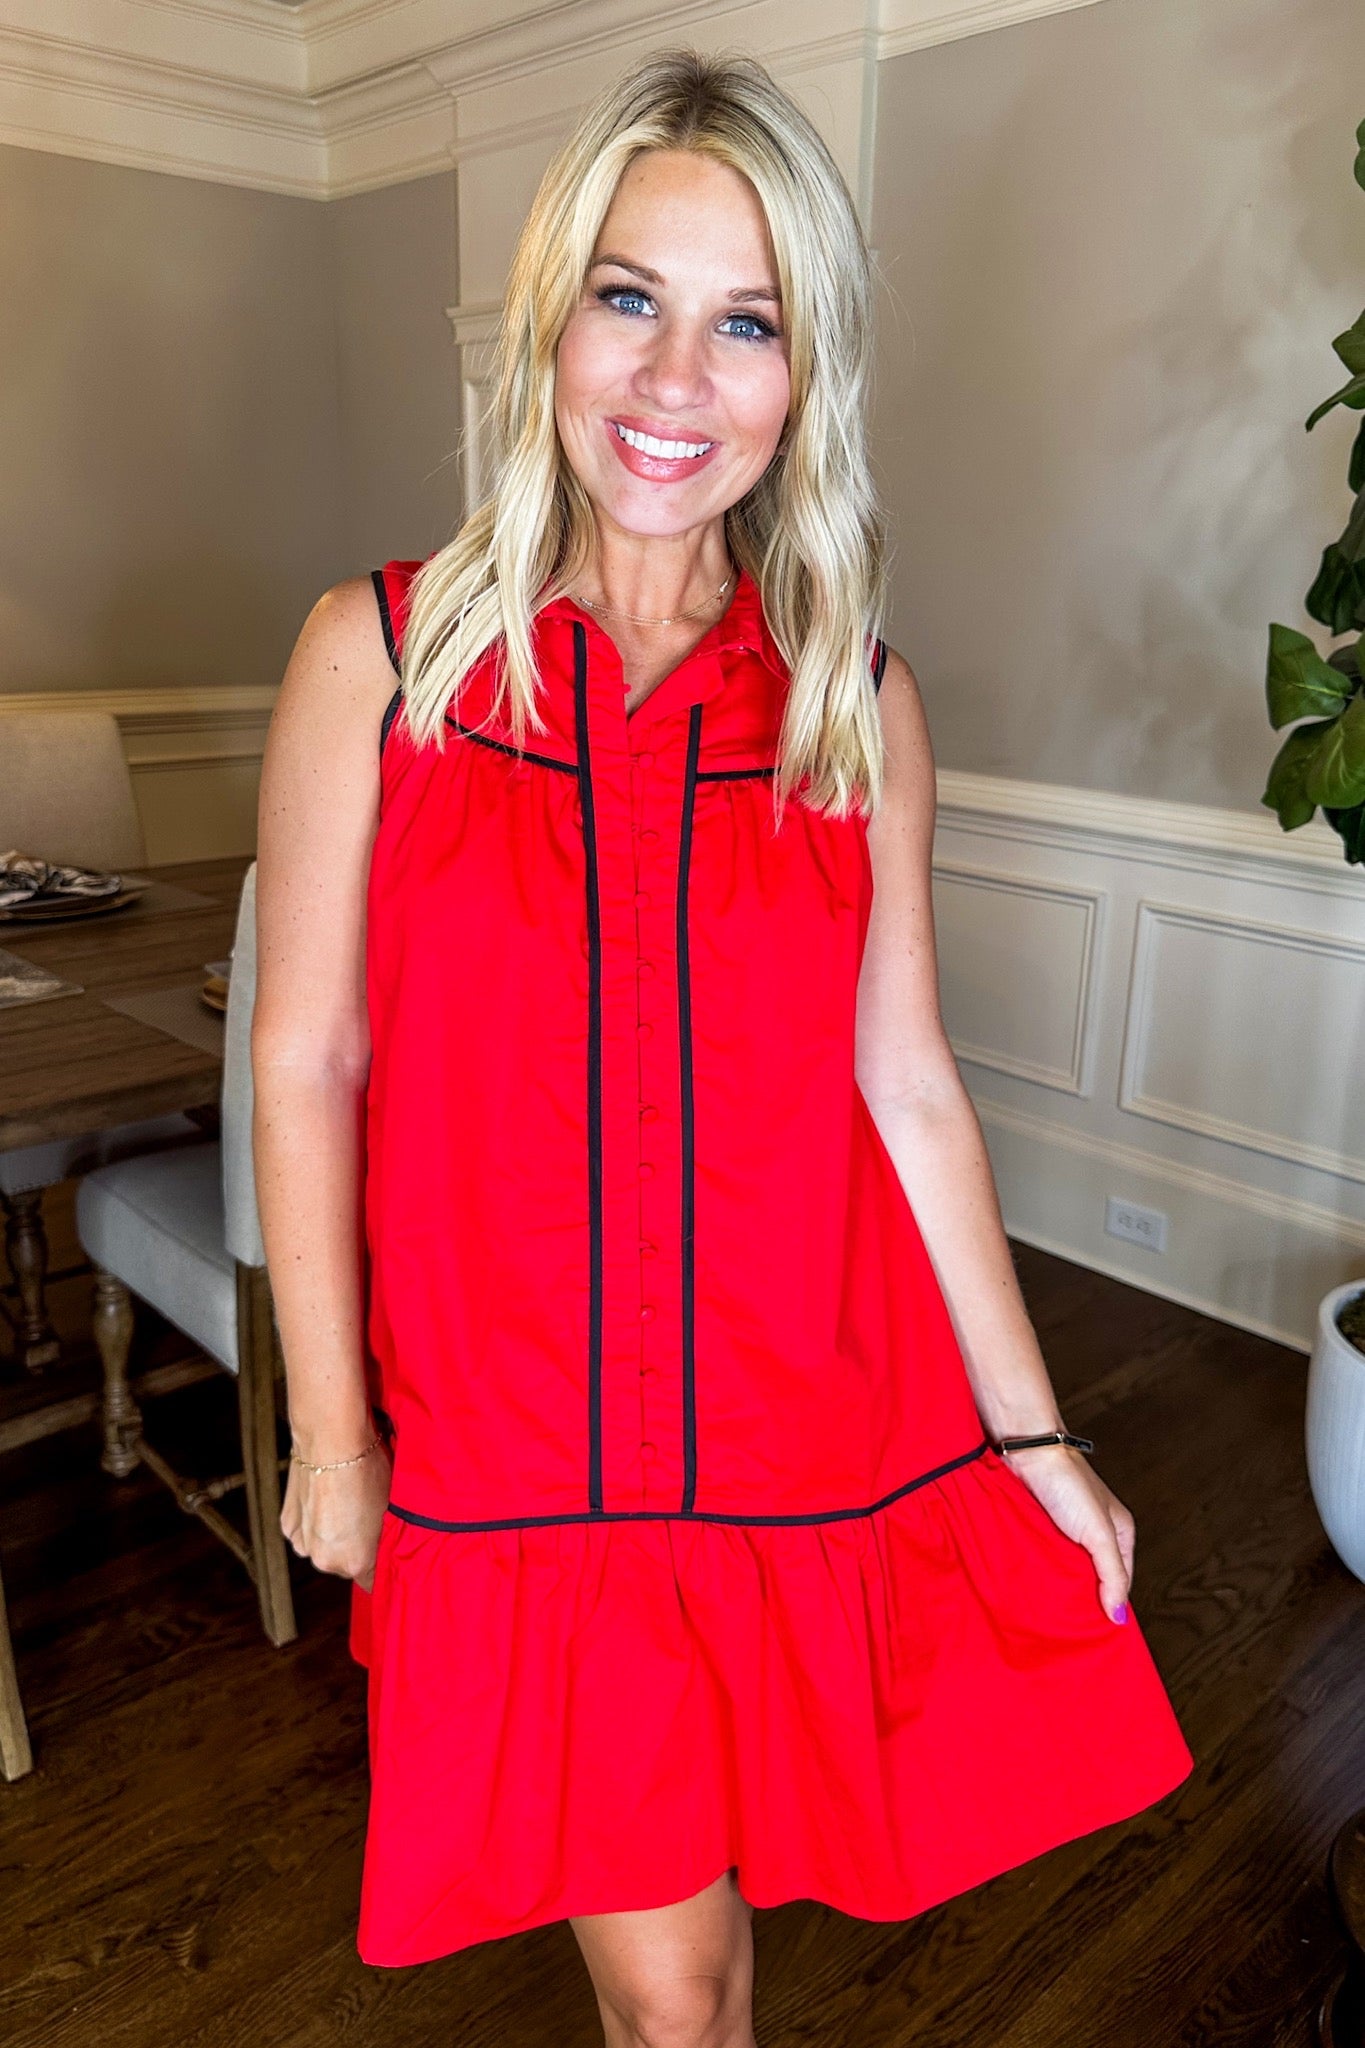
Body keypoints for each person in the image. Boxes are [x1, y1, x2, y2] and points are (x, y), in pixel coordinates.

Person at [252, 46, 1194, 2048]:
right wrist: (331, 1432)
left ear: (804, 374)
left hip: (795, 1435)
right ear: (551, 319)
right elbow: (306, 1054)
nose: (675, 379)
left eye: (743, 320)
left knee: (715, 1959)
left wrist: (1033, 1432)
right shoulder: (384, 655)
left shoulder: (853, 701)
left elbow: (907, 1084)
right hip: (526, 1471)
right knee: (678, 1990)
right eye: (629, 297)